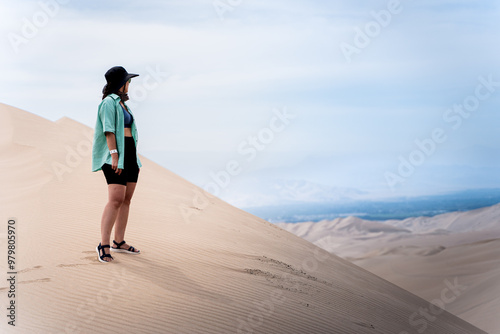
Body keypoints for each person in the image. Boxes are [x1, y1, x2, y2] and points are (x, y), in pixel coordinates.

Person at [92, 66, 142, 263]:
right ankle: (103, 244)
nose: (130, 84)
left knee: (126, 200)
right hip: (115, 155)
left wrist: (132, 157)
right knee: (115, 199)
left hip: (130, 154)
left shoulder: (123, 104)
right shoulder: (108, 103)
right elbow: (109, 131)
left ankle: (118, 242)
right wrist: (114, 156)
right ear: (122, 83)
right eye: (128, 81)